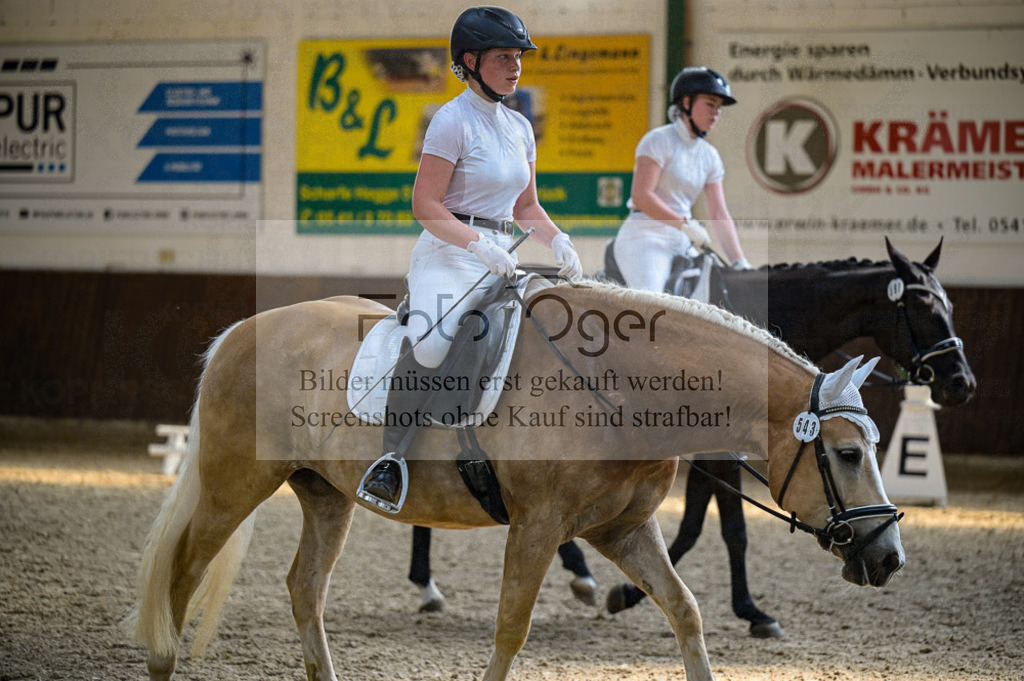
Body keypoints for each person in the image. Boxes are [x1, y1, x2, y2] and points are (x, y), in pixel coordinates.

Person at [358, 5, 583, 513]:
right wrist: (476, 245)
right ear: (470, 61)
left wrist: (558, 239)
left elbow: (526, 206)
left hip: (502, 256)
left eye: (518, 57)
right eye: (504, 57)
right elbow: (425, 205)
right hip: (449, 252)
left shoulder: (520, 127)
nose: (515, 66)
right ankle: (391, 458)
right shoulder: (450, 120)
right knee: (435, 345)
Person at [613, 66, 752, 293]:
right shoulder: (659, 141)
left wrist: (739, 261)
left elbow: (719, 214)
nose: (716, 113)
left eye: (719, 108)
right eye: (710, 104)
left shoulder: (710, 156)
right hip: (646, 237)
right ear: (686, 102)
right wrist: (685, 224)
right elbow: (641, 196)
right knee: (653, 304)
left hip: (682, 242)